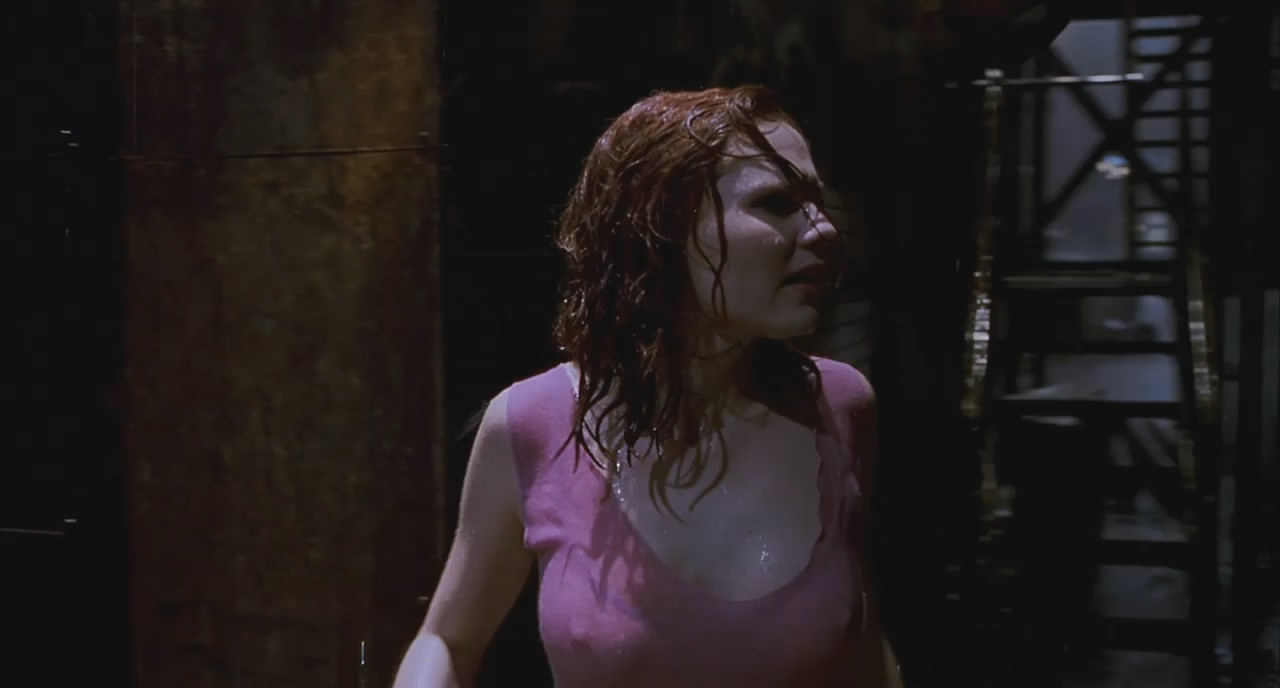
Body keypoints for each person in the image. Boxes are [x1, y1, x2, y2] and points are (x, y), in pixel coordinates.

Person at [392, 85, 902, 688]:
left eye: (817, 201)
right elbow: (448, 640)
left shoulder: (839, 406)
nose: (823, 231)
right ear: (664, 226)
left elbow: (863, 644)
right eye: (776, 202)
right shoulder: (534, 423)